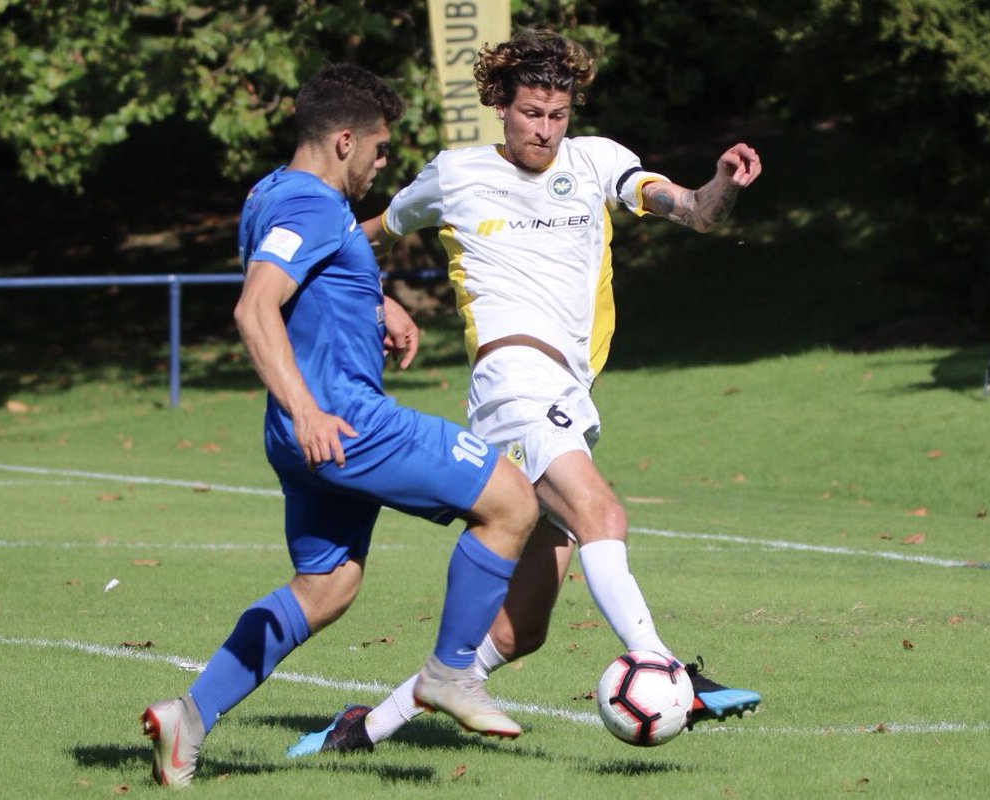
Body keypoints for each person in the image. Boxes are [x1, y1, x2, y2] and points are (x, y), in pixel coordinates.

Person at [289, 30, 765, 757]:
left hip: (568, 392)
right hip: (512, 381)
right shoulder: (455, 173)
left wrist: (723, 183)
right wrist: (355, 293)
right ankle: (667, 670)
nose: (544, 130)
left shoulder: (599, 161)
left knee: (522, 628)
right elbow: (365, 234)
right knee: (603, 511)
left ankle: (367, 727)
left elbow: (694, 210)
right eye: (531, 113)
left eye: (557, 115)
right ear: (501, 108)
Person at [139, 63, 538, 788]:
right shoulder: (314, 206)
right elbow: (256, 308)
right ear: (345, 140)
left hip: (304, 438)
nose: (386, 164)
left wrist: (374, 302)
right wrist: (309, 408)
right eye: (381, 150)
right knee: (512, 501)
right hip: (345, 425)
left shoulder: (270, 193)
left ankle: (187, 720)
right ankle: (451, 674)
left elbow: (310, 279)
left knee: (327, 586)